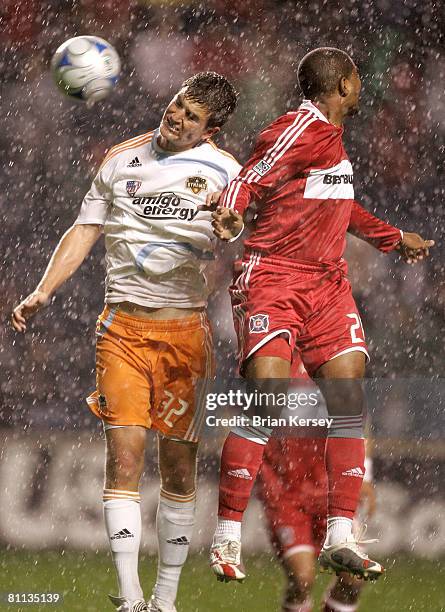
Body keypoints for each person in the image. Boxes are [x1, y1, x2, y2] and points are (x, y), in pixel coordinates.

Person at [11, 72, 240, 612]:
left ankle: (166, 598)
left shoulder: (227, 172)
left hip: (186, 332)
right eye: (177, 103)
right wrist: (44, 291)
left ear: (212, 130)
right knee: (125, 457)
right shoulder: (121, 159)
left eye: (191, 117)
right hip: (123, 331)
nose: (176, 117)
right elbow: (85, 228)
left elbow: (245, 229)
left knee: (181, 468)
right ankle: (131, 598)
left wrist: (234, 226)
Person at [206, 47, 434, 582]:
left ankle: (340, 533)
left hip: (327, 283)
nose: (362, 85)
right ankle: (226, 537)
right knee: (267, 402)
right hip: (275, 277)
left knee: (348, 398)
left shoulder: (332, 142)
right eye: (357, 77)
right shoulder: (298, 127)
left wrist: (392, 237)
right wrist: (232, 208)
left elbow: (340, 205)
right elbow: (254, 173)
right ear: (343, 85)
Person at [257, 358, 376, 612]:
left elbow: (358, 419)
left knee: (353, 578)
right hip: (284, 491)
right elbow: (237, 415)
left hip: (331, 488)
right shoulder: (271, 353)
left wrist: (365, 476)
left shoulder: (335, 354)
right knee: (302, 579)